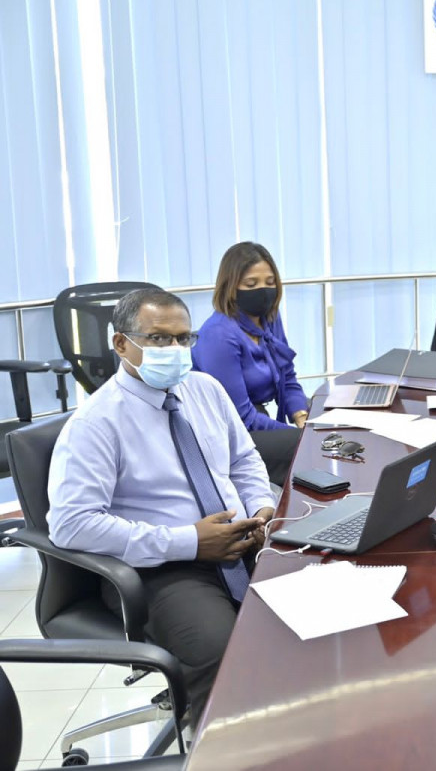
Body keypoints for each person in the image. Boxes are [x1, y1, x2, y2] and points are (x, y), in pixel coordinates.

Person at [47, 288, 275, 729]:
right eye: (158, 339)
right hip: (162, 569)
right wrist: (190, 542)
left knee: (311, 620)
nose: (174, 349)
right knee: (224, 655)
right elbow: (71, 525)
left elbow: (243, 460)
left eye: (183, 338)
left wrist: (261, 508)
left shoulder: (205, 389)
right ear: (121, 344)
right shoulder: (96, 423)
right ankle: (223, 750)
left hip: (242, 542)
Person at [191, 242, 306, 487]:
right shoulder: (219, 334)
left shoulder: (269, 318)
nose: (263, 291)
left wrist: (301, 415)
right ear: (231, 287)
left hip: (256, 419)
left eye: (270, 282)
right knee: (308, 447)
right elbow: (242, 417)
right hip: (226, 432)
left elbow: (287, 376)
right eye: (251, 284)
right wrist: (301, 434)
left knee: (325, 434)